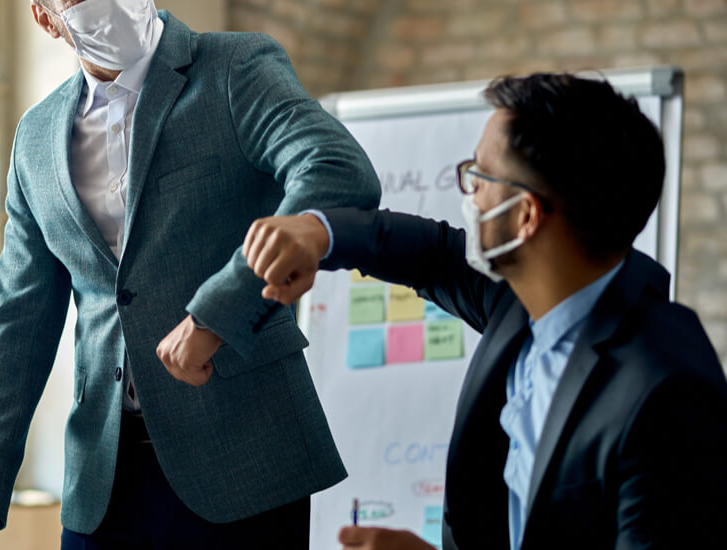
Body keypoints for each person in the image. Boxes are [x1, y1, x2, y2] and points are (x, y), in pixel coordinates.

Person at [0, 0, 381, 550]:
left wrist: (217, 311)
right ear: (47, 19)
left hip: (245, 461)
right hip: (103, 481)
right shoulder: (35, 139)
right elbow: (19, 325)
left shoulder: (236, 69)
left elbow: (339, 170)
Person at [243, 73, 727, 549]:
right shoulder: (523, 298)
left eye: (478, 177)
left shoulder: (666, 390)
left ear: (525, 216)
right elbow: (428, 254)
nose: (467, 195)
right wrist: (319, 233)